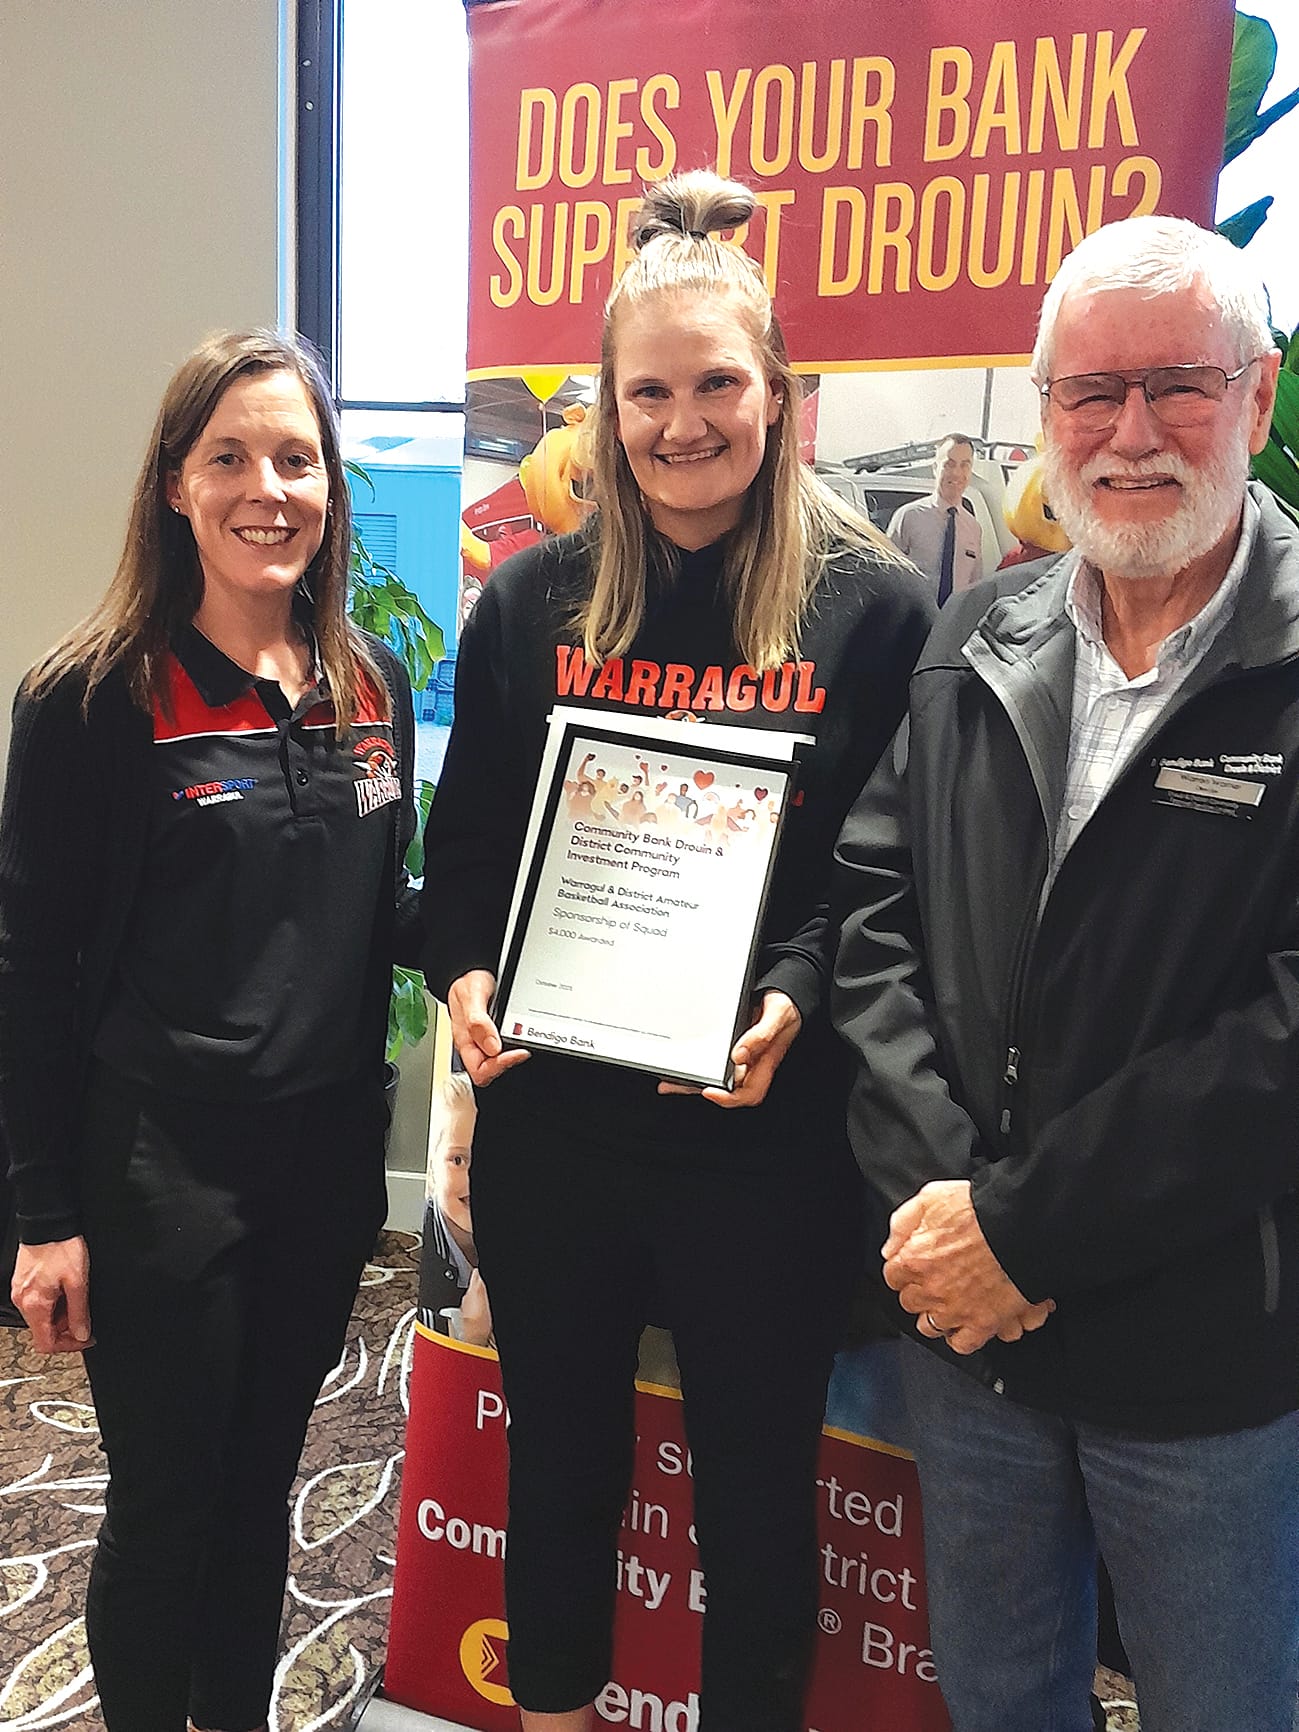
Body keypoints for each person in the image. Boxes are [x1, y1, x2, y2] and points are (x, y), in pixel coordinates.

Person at [421, 171, 934, 1732]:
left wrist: (788, 993)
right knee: (558, 1475)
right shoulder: (526, 606)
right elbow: (457, 877)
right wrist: (463, 985)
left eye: (717, 384)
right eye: (648, 392)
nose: (682, 421)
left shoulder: (871, 611)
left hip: (760, 1147)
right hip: (559, 1134)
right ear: (604, 406)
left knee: (757, 1516)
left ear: (776, 395)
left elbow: (882, 876)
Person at [833, 213, 1297, 1732]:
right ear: (1043, 415)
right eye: (1086, 394)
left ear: (1256, 397)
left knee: (1220, 1703)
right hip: (971, 1343)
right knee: (997, 1693)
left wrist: (1022, 1230)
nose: (1129, 433)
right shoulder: (975, 635)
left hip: (1199, 1349)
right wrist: (949, 1213)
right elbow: (870, 916)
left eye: (1175, 383)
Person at [0, 330, 421, 1732]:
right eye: (229, 457)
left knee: (263, 1491)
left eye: (294, 458)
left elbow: (377, 908)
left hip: (318, 1170)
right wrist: (43, 1212)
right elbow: (29, 969)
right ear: (174, 485)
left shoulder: (367, 687)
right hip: (159, 1175)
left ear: (328, 485)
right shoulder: (91, 699)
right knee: (169, 1503)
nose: (267, 488)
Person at [886, 434, 985, 601]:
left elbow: (974, 588)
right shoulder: (908, 517)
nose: (956, 473)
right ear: (935, 468)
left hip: (952, 624)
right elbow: (887, 576)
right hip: (914, 621)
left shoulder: (974, 528)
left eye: (965, 465)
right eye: (949, 464)